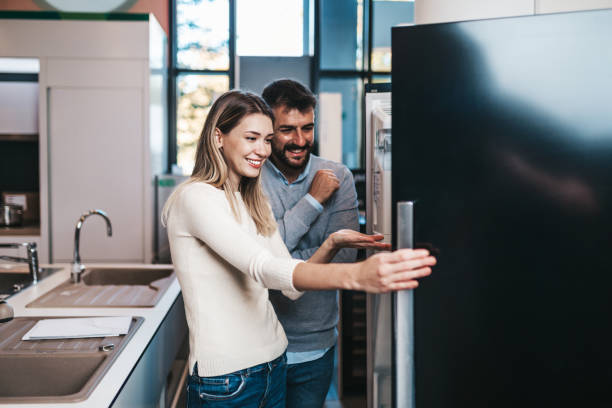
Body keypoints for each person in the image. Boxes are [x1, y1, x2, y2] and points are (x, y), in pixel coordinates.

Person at [162, 90, 435, 408]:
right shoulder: (195, 197)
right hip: (227, 379)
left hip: (273, 362)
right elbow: (263, 268)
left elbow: (287, 283)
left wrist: (331, 243)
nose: (262, 150)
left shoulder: (251, 199)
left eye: (266, 139)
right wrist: (357, 275)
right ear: (218, 136)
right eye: (251, 138)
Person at [260, 79, 363, 407]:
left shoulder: (339, 175)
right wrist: (314, 201)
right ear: (267, 128)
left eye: (308, 128)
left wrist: (280, 255)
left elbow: (345, 259)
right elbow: (259, 259)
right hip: (257, 347)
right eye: (288, 129)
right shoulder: (250, 177)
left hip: (315, 347)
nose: (300, 140)